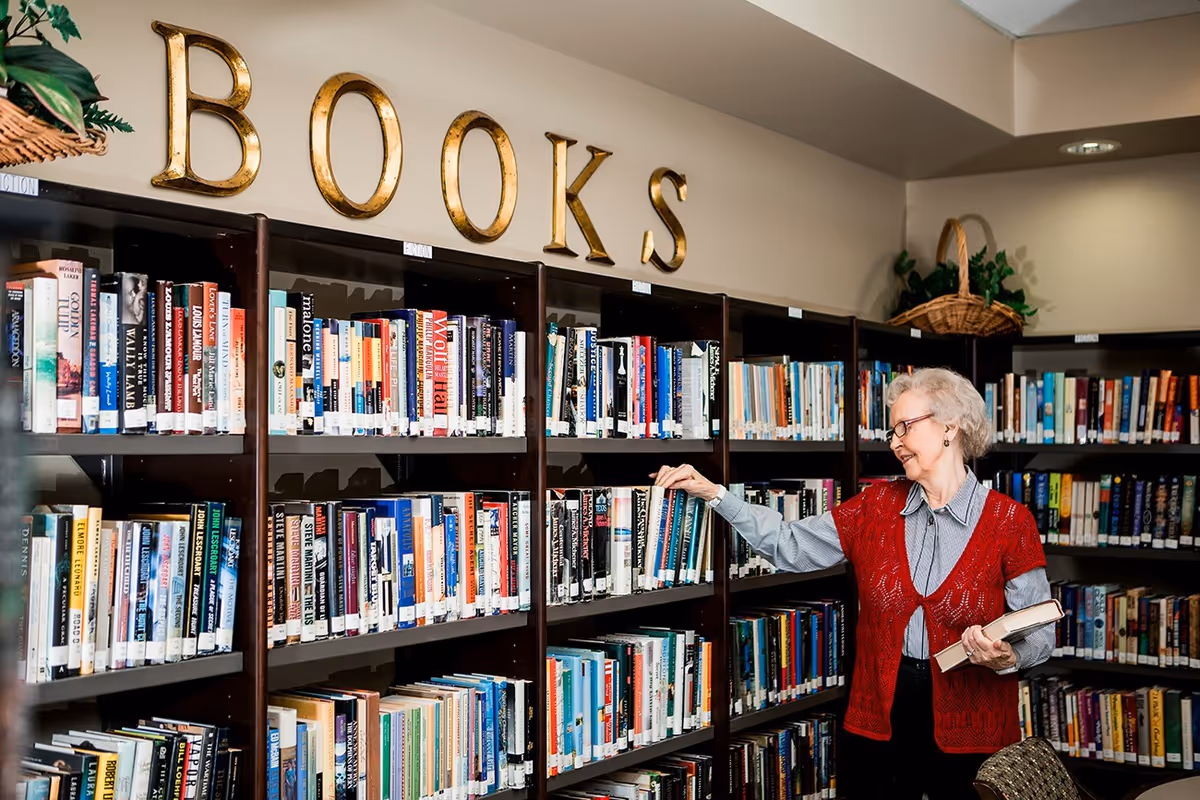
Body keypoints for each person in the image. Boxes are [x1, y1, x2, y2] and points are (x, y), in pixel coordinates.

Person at [654, 366, 1054, 800]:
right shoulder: (876, 506)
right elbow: (791, 544)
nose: (894, 441)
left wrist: (1007, 657)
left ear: (949, 427)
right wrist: (717, 495)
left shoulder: (1010, 522)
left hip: (972, 732)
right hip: (879, 719)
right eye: (891, 430)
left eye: (905, 426)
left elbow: (1041, 631)